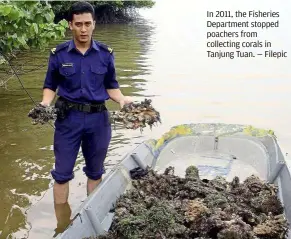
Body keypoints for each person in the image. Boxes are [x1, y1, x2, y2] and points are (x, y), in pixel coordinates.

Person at [40, 1, 132, 207]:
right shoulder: (59, 54)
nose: (84, 29)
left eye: (87, 24)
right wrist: (45, 104)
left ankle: (92, 213)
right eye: (79, 24)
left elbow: (111, 86)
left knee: (95, 172)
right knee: (61, 174)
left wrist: (122, 99)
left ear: (94, 24)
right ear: (70, 25)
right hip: (67, 120)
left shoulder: (105, 54)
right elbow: (50, 86)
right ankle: (62, 224)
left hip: (98, 120)